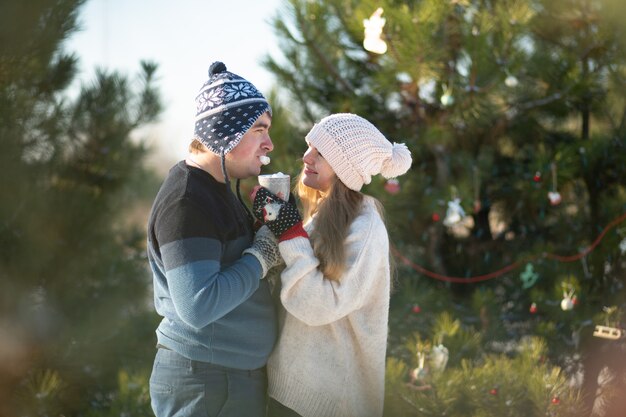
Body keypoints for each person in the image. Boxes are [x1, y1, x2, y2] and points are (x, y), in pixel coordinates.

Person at [251, 113, 413, 417]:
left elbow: (318, 305)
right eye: (310, 146)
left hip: (326, 401)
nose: (306, 156)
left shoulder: (365, 228)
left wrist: (289, 233)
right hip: (291, 391)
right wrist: (268, 231)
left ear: (345, 167)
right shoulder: (321, 216)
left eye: (320, 152)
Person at [147, 61, 283, 417]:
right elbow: (198, 305)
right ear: (225, 132)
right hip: (206, 383)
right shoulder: (187, 200)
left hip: (225, 379)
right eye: (259, 129)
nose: (269, 143)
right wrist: (261, 256)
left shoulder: (217, 189)